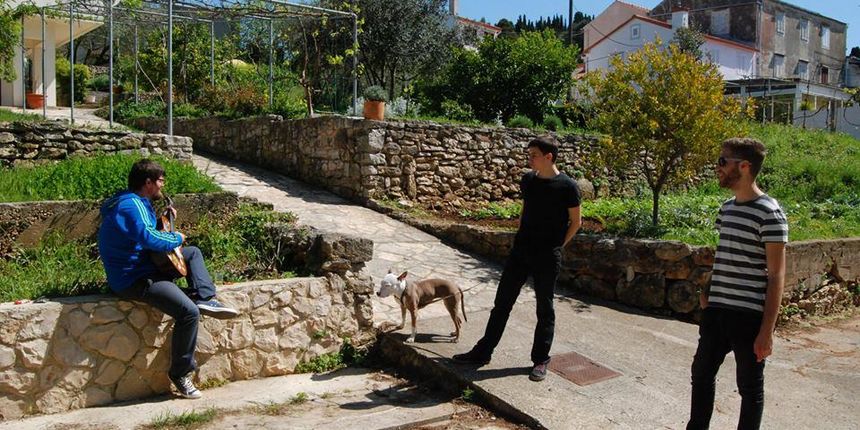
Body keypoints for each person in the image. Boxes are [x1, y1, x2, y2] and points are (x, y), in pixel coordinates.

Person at [98, 159, 239, 399]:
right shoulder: (131, 205)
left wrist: (161, 220)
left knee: (192, 253)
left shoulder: (133, 202)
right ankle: (180, 374)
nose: (162, 185)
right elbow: (148, 238)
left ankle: (206, 298)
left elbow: (140, 233)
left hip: (146, 267)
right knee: (188, 313)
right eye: (161, 181)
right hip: (135, 279)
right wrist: (176, 238)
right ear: (148, 182)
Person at [453, 136, 582, 382]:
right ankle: (483, 351)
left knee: (545, 309)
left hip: (547, 256)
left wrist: (557, 246)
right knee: (502, 303)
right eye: (529, 154)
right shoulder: (528, 180)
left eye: (534, 155)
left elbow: (576, 222)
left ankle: (541, 359)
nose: (529, 159)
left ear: (549, 157)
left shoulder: (568, 186)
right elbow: (524, 212)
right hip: (520, 252)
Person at [687, 138, 788, 429]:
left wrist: (767, 332)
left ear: (744, 166)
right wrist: (708, 292)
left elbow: (776, 275)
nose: (717, 167)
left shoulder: (770, 214)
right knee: (701, 375)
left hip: (748, 317)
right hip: (717, 311)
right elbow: (724, 255)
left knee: (750, 388)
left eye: (722, 161)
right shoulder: (727, 208)